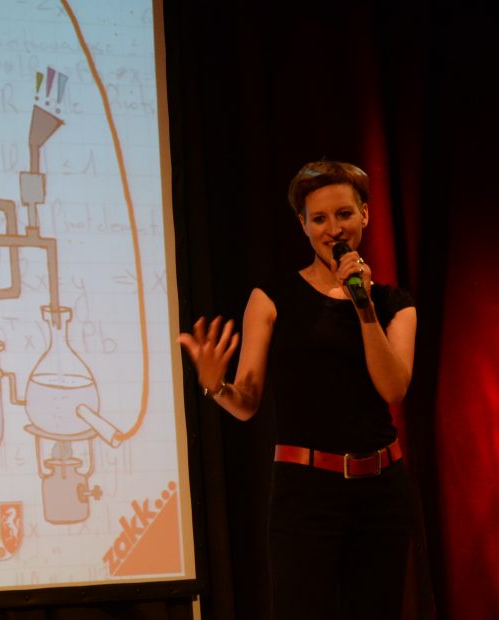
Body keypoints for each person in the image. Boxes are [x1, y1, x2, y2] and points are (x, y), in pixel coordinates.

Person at [178, 160, 417, 619]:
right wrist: (217, 387)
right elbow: (246, 403)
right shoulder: (271, 298)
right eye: (319, 218)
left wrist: (363, 306)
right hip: (305, 493)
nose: (334, 229)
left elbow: (393, 388)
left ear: (364, 215)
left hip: (382, 492)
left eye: (344, 214)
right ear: (303, 225)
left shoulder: (394, 304)